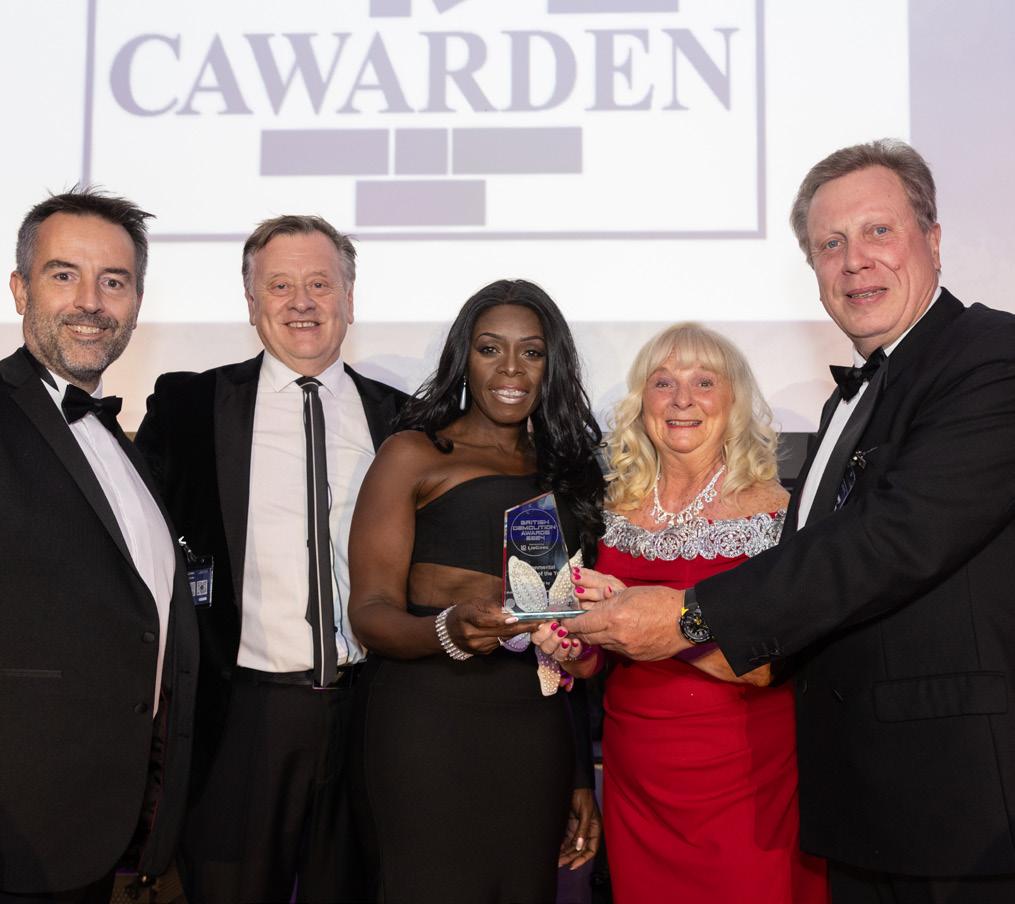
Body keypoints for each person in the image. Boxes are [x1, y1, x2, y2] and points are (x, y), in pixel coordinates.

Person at [568, 139, 1015, 902]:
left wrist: (689, 616)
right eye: (828, 244)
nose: (853, 260)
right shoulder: (852, 399)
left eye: (878, 231)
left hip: (956, 799)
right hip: (857, 800)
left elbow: (894, 538)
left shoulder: (990, 357)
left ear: (933, 240)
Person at [134, 215, 407, 904]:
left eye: (320, 283)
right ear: (252, 304)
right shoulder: (188, 407)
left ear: (350, 298)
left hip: (370, 716)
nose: (301, 302)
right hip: (239, 722)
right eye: (279, 286)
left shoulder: (405, 420)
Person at [534, 324, 827, 902]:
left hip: (750, 782)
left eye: (704, 382)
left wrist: (647, 619)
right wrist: (574, 647)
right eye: (663, 382)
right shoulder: (608, 509)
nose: (682, 400)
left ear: (735, 399)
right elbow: (598, 662)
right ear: (642, 400)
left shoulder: (780, 514)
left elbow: (776, 663)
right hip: (637, 780)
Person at [348, 278, 604, 904]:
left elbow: (561, 639)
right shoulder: (412, 454)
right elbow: (370, 614)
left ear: (552, 365)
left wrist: (578, 773)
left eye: (532, 352)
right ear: (464, 357)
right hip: (428, 725)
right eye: (490, 349)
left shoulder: (567, 470)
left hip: (536, 733)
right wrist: (449, 630)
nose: (511, 368)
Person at [0, 189, 198, 902]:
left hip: (93, 832)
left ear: (137, 301)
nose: (90, 301)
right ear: (20, 289)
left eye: (113, 281)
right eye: (64, 275)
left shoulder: (120, 442)